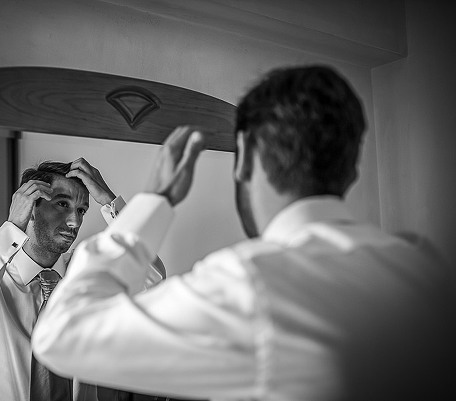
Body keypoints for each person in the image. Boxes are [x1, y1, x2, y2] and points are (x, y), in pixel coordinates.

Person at [31, 65, 454, 401]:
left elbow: (62, 336)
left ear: (247, 155)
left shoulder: (251, 284)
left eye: (80, 209)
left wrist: (153, 201)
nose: (74, 220)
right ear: (351, 168)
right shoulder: (426, 267)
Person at [0, 158, 166, 401]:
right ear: (30, 208)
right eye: (62, 204)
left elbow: (153, 279)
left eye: (81, 210)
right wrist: (12, 226)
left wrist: (110, 202)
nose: (75, 222)